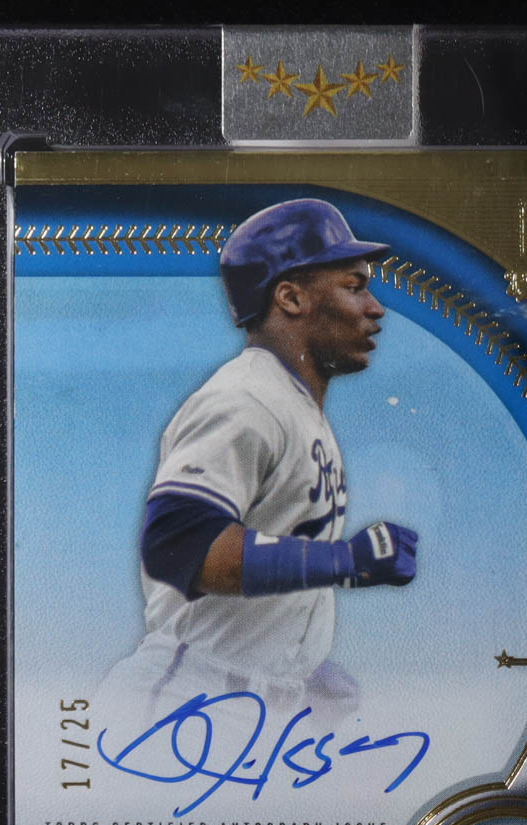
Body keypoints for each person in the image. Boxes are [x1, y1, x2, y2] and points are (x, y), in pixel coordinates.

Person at [101, 198, 418, 728]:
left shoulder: (295, 406)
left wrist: (299, 667)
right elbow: (180, 547)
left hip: (246, 707)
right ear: (290, 297)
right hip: (183, 703)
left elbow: (269, 550)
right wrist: (346, 560)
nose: (375, 307)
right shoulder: (244, 399)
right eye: (355, 286)